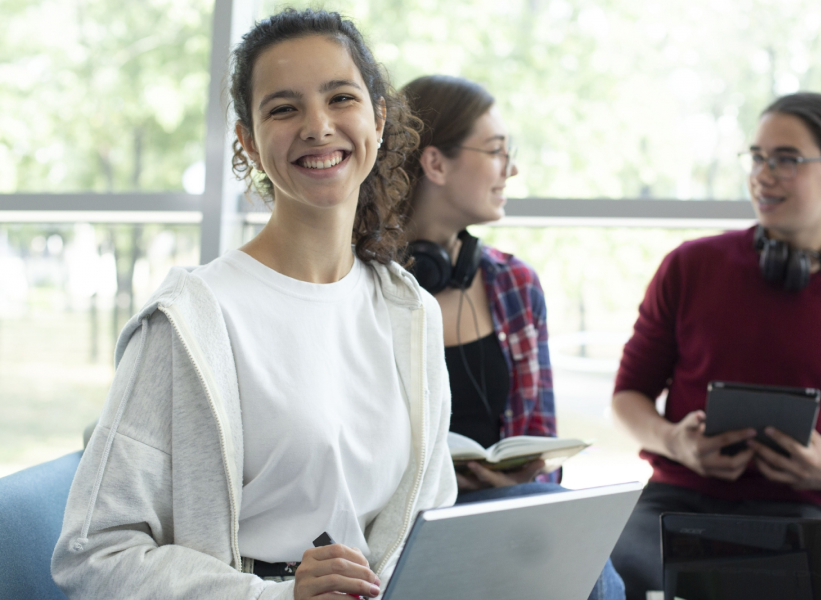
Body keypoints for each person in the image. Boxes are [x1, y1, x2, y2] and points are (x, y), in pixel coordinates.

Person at [51, 9, 456, 600]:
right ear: (248, 140)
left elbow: (429, 522)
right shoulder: (192, 321)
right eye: (284, 108)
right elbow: (93, 555)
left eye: (340, 97)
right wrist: (276, 596)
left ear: (378, 116)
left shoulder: (410, 311)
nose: (318, 127)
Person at [609, 91, 821, 600]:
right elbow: (627, 398)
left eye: (786, 160)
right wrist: (675, 441)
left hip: (803, 515)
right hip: (676, 504)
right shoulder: (690, 267)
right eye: (758, 157)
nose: (763, 175)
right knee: (607, 581)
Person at [399, 74, 624, 600]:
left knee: (590, 564)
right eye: (497, 151)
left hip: (505, 510)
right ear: (435, 163)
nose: (512, 169)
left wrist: (519, 479)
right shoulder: (359, 285)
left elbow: (538, 436)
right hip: (404, 521)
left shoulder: (513, 285)